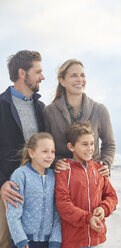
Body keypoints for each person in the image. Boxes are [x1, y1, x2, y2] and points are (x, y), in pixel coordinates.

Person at [0, 50, 45, 248]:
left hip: (36, 191)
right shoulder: (1, 106)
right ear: (22, 73)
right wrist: (1, 183)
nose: (42, 77)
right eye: (38, 72)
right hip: (8, 191)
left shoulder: (41, 108)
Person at [43, 59, 115, 177]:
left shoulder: (100, 110)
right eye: (73, 75)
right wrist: (55, 162)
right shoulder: (50, 112)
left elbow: (109, 144)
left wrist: (105, 165)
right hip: (63, 178)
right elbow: (45, 146)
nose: (79, 79)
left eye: (82, 75)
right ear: (62, 81)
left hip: (93, 178)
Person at [55, 121, 118, 248]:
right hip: (74, 240)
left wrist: (103, 208)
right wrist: (88, 218)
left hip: (97, 238)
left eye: (92, 143)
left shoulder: (99, 169)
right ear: (71, 147)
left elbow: (112, 196)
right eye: (84, 144)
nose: (90, 148)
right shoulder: (64, 171)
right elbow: (63, 204)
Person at [6, 132, 61, 248]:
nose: (50, 155)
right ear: (31, 153)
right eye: (45, 151)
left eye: (53, 151)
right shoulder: (20, 175)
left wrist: (55, 241)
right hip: (24, 242)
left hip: (48, 243)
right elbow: (13, 213)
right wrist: (21, 241)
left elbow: (57, 212)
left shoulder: (55, 176)